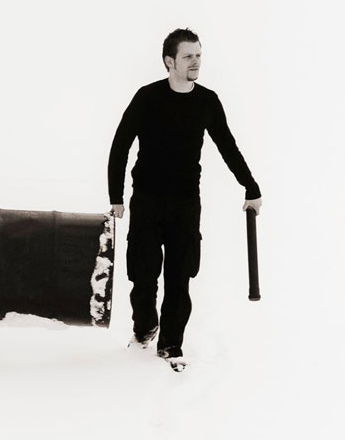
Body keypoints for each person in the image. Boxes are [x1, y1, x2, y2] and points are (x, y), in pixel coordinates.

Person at [107, 28, 262, 371]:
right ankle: (145, 327)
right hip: (147, 201)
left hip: (185, 204)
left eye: (199, 55)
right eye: (188, 56)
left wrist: (250, 187)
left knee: (180, 277)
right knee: (143, 276)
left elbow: (227, 146)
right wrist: (115, 196)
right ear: (169, 61)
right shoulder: (147, 97)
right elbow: (121, 145)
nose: (196, 62)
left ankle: (171, 344)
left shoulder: (207, 101)